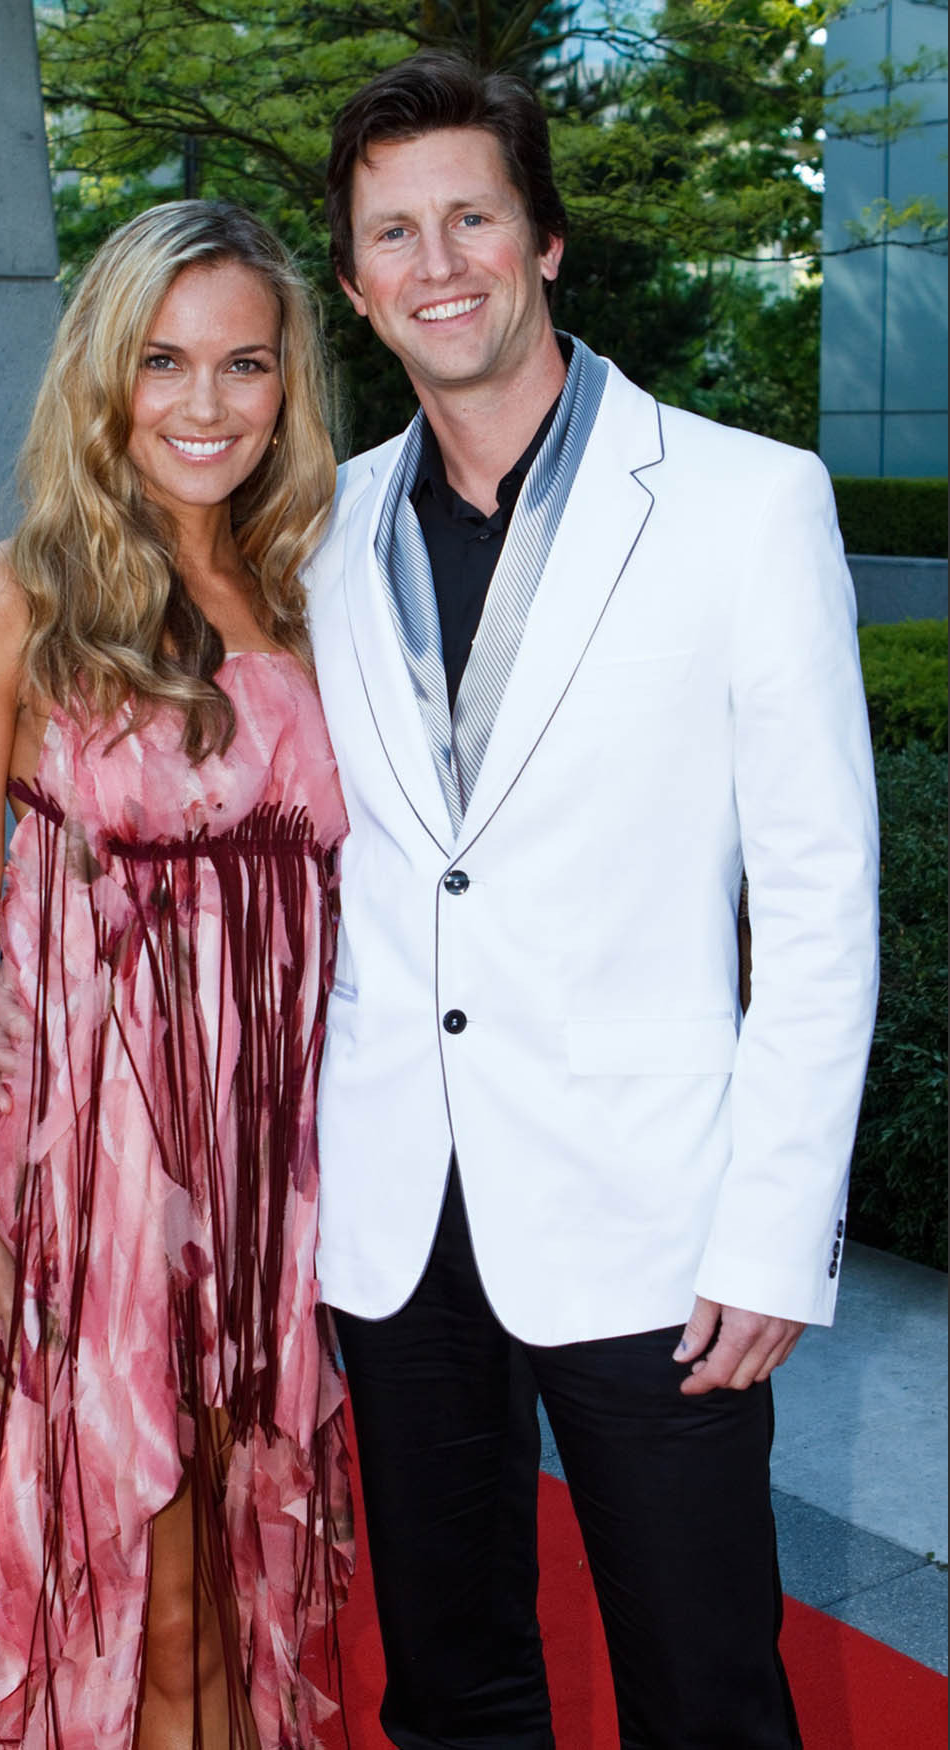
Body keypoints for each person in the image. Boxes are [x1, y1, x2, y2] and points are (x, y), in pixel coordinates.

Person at [303, 52, 880, 1748]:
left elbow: (821, 900)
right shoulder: (321, 531)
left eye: (471, 215)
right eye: (393, 233)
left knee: (705, 1686)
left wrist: (776, 1226)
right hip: (403, 1222)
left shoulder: (743, 501)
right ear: (352, 283)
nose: (437, 262)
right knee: (452, 1682)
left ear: (542, 239)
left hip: (660, 1222)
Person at [0, 201, 351, 1750]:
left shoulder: (314, 589)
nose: (206, 404)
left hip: (280, 1186)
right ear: (102, 375)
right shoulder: (0, 602)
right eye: (164, 361)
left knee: (247, 1575)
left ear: (290, 384)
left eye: (245, 364)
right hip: (95, 1186)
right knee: (142, 1597)